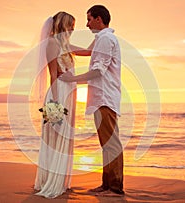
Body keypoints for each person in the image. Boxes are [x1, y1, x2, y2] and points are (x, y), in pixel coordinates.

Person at [60, 5, 124, 196]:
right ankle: (106, 185)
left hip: (105, 97)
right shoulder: (102, 39)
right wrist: (60, 45)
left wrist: (72, 79)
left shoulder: (105, 39)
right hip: (102, 98)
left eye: (89, 19)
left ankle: (115, 187)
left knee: (111, 143)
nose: (87, 24)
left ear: (99, 19)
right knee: (106, 143)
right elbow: (87, 52)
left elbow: (98, 71)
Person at [34, 11, 91, 198]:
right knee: (55, 138)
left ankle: (58, 180)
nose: (73, 29)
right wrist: (56, 104)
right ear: (61, 25)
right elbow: (53, 74)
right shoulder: (51, 43)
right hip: (58, 94)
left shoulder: (65, 45)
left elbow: (88, 52)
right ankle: (50, 182)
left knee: (64, 138)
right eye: (70, 25)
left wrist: (102, 35)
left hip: (69, 94)